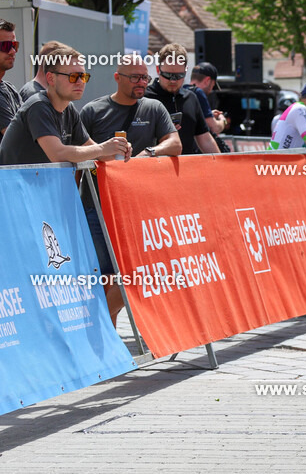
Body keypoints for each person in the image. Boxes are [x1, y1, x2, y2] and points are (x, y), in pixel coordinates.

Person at [79, 53, 182, 324]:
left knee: (137, 273)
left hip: (139, 208)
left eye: (145, 77)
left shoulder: (153, 108)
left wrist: (150, 152)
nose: (141, 83)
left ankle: (100, 321)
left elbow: (175, 143)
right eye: (135, 77)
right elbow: (78, 155)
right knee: (104, 274)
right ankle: (108, 340)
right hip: (97, 206)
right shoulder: (93, 111)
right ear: (117, 77)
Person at [0, 46, 130, 165]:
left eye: (83, 76)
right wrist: (102, 148)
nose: (80, 82)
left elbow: (94, 152)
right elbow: (58, 154)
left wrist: (118, 149)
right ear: (51, 78)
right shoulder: (38, 106)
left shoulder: (69, 109)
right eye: (73, 76)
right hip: (15, 187)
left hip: (36, 186)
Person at [145, 43, 219, 155]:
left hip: (187, 168)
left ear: (186, 71)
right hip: (154, 167)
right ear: (158, 69)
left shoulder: (191, 98)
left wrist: (220, 163)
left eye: (178, 76)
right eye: (168, 75)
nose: (173, 81)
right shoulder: (144, 98)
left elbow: (205, 138)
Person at [188, 62, 228, 135]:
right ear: (207, 80)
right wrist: (223, 120)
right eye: (213, 85)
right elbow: (214, 128)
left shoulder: (182, 91)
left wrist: (208, 115)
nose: (211, 90)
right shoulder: (198, 93)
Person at [0, 19, 22, 137]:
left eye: (14, 45)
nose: (12, 51)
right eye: (6, 45)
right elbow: (17, 138)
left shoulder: (9, 88)